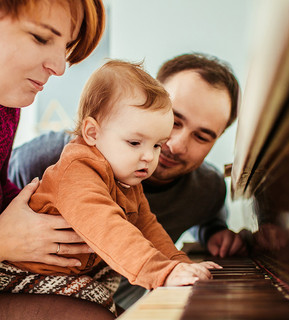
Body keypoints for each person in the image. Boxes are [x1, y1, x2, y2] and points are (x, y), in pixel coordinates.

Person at [9, 53, 246, 308]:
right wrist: (161, 272)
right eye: (175, 122)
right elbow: (107, 225)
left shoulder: (139, 178)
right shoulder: (67, 163)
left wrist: (179, 263)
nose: (173, 147)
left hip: (87, 281)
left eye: (202, 136)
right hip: (24, 274)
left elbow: (148, 225)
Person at [0, 0, 109, 318]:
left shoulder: (7, 106)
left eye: (67, 46)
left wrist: (49, 219)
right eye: (41, 37)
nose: (61, 67)